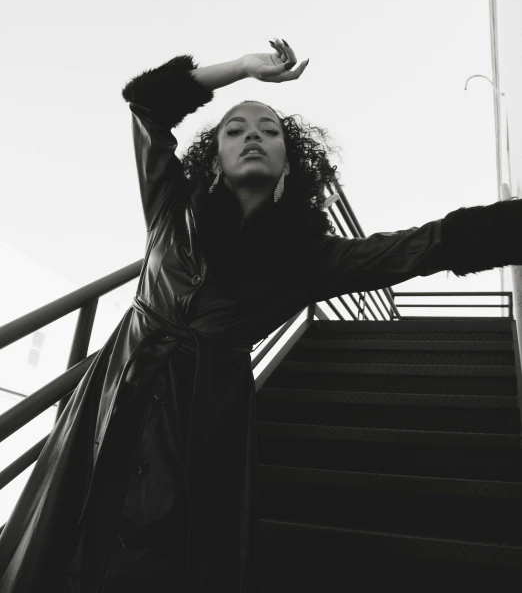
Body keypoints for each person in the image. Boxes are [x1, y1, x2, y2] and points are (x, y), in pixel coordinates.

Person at [0, 38, 520, 593]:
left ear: (289, 164)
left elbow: (426, 245)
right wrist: (247, 70)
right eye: (236, 129)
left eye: (269, 131)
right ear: (216, 158)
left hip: (205, 416)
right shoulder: (172, 209)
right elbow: (147, 103)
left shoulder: (313, 258)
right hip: (116, 393)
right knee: (67, 538)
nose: (253, 135)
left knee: (167, 556)